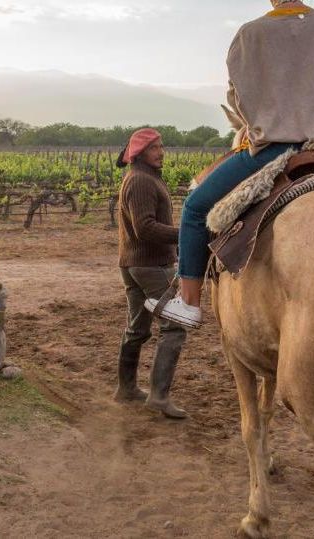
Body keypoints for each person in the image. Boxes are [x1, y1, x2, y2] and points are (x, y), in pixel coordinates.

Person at [148, 0, 314, 329]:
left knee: (196, 209)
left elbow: (240, 99)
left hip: (277, 151)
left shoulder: (251, 35)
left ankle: (188, 303)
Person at [114, 127, 188, 418]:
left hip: (133, 264)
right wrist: (185, 235)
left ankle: (127, 388)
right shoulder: (142, 181)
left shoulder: (140, 178)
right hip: (150, 266)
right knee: (174, 325)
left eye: (161, 146)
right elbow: (144, 228)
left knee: (137, 327)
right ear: (141, 152)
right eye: (155, 147)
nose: (161, 152)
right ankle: (158, 397)